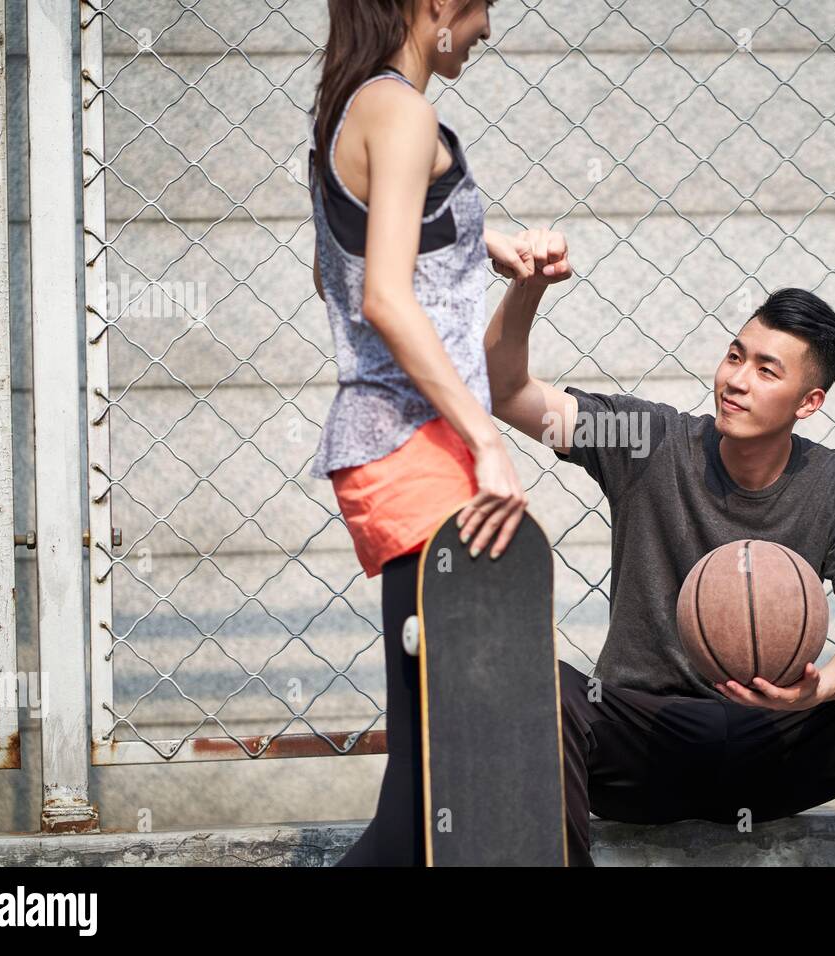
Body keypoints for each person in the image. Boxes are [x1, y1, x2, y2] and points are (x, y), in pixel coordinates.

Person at [485, 272, 835, 866]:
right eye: (734, 357)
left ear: (809, 402)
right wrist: (527, 287)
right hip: (647, 745)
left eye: (766, 371)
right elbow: (504, 389)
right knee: (538, 685)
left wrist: (813, 692)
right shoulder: (645, 442)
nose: (736, 381)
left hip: (776, 745)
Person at [307, 0, 570, 866]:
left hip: (390, 454)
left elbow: (337, 275)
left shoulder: (357, 105)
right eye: (485, 4)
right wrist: (488, 442)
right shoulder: (406, 111)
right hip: (422, 458)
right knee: (434, 795)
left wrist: (480, 247)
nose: (490, 22)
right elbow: (382, 298)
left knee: (458, 784)